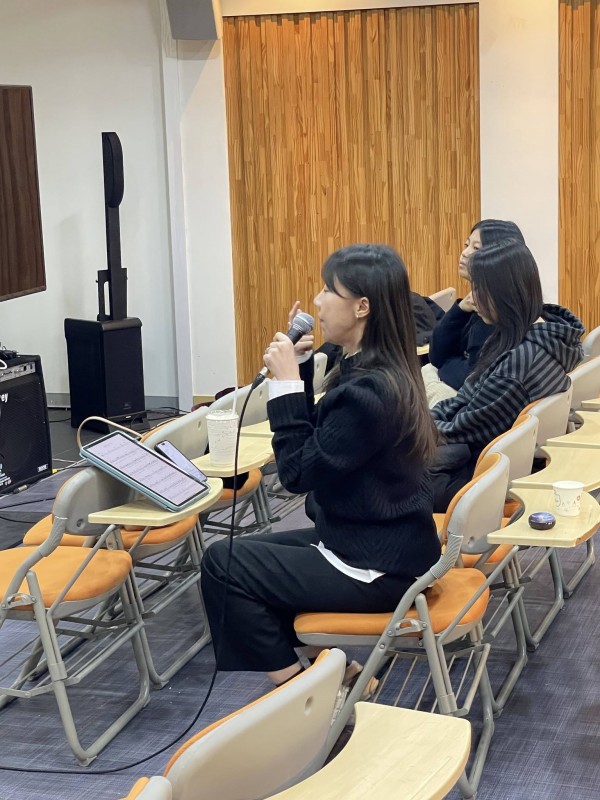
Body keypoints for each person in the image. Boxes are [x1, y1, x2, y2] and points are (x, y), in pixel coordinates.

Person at [201, 244, 441, 686]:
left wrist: (286, 386)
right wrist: (302, 370)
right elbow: (326, 442)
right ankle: (337, 675)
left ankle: (304, 695)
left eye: (329, 290)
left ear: (362, 307)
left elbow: (297, 473)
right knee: (240, 557)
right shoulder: (376, 366)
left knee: (224, 564)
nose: (317, 301)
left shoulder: (368, 392)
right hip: (377, 541)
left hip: (377, 565)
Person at [430, 239, 584, 511]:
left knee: (373, 484)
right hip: (490, 468)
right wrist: (424, 420)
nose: (473, 298)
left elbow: (461, 430)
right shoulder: (542, 334)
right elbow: (465, 398)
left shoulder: (519, 365)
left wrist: (411, 430)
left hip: (478, 482)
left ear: (504, 294)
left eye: (480, 289)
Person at [423, 220, 526, 407]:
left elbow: (470, 377)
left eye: (476, 248)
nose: (465, 253)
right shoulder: (475, 303)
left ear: (497, 258)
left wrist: (444, 364)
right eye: (466, 244)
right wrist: (461, 309)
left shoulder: (494, 313)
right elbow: (437, 353)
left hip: (469, 403)